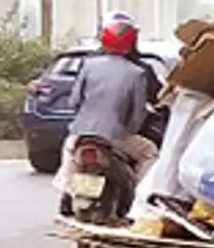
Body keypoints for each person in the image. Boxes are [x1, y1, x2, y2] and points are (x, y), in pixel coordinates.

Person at [63, 14, 158, 183]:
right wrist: (128, 131)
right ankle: (138, 193)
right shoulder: (137, 73)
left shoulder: (88, 64)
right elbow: (137, 116)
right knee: (149, 153)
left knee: (70, 154)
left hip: (81, 133)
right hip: (116, 136)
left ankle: (67, 193)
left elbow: (74, 102)